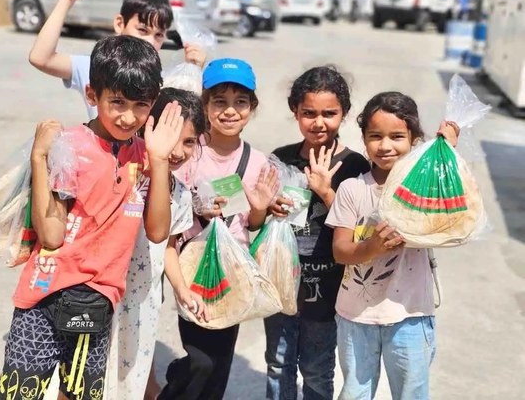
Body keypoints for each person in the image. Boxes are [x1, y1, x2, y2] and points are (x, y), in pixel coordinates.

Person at [0, 35, 184, 400]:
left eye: (140, 105)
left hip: (97, 304)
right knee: (19, 394)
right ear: (92, 94)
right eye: (117, 102)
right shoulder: (69, 146)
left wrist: (159, 161)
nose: (128, 116)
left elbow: (158, 231)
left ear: (153, 104)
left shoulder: (148, 157)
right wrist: (39, 159)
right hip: (43, 301)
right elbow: (51, 235)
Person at [159, 58, 280, 400]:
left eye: (240, 102)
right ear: (204, 105)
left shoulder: (257, 161)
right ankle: (176, 383)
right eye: (220, 102)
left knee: (221, 361)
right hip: (192, 268)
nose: (230, 111)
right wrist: (197, 207)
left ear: (251, 108)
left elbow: (252, 225)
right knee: (201, 359)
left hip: (233, 271)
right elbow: (170, 205)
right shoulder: (189, 151)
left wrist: (259, 208)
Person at [326, 92, 459, 400]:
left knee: (411, 393)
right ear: (363, 139)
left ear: (414, 140)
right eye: (376, 136)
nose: (385, 146)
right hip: (355, 316)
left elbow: (455, 206)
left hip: (410, 314)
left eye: (397, 136)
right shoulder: (352, 189)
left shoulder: (423, 186)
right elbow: (340, 250)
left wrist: (447, 149)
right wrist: (372, 248)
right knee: (354, 392)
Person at [264, 66, 371, 400]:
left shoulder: (355, 167)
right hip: (282, 284)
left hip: (329, 292)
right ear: (295, 111)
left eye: (329, 113)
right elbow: (259, 218)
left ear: (345, 114)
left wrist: (327, 192)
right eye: (308, 113)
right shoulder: (280, 159)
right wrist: (269, 207)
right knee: (278, 363)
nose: (318, 122)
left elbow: (361, 230)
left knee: (316, 368)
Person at [104, 87, 207, 400]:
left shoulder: (180, 193)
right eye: (170, 136)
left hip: (144, 300)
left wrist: (181, 289)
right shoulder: (123, 172)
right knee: (93, 375)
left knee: (130, 377)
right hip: (104, 295)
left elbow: (169, 246)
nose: (177, 150)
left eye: (189, 141)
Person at [28, 0, 207, 119]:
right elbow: (41, 58)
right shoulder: (94, 67)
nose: (150, 41)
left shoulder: (163, 80)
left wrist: (193, 70)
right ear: (120, 23)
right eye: (142, 30)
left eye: (159, 35)